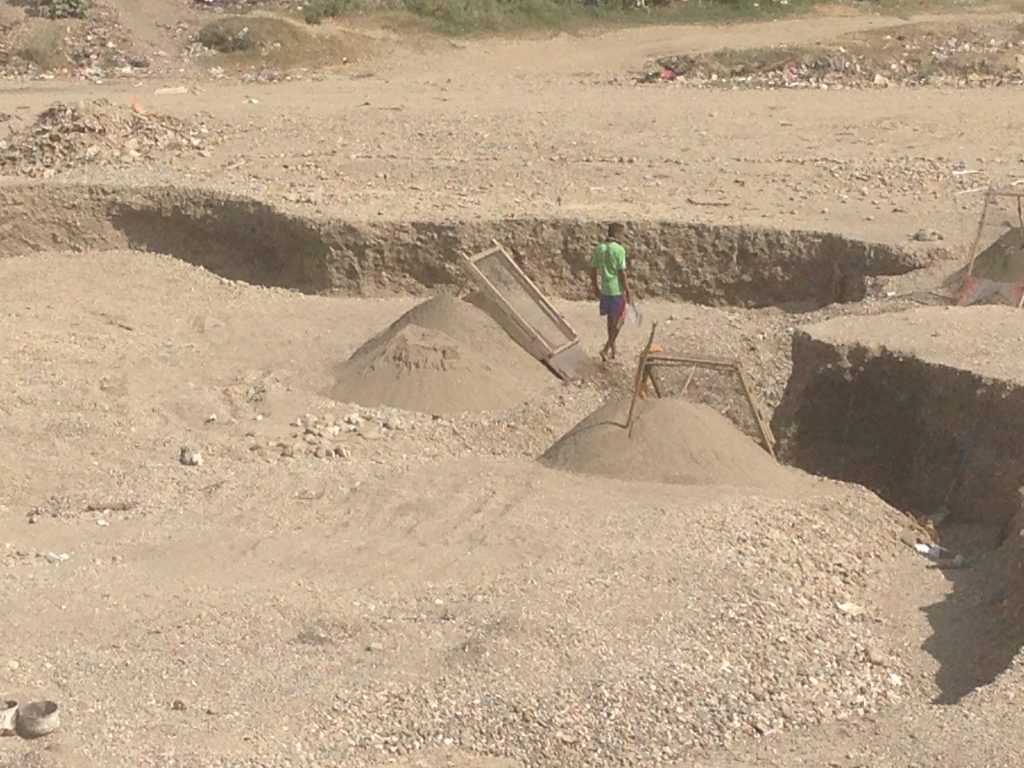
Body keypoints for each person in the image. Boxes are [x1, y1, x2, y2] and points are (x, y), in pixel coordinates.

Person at [589, 223, 631, 361]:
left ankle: (613, 350)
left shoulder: (599, 248)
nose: (624, 237)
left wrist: (595, 287)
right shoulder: (619, 250)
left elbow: (593, 269)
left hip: (605, 290)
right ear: (617, 234)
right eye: (623, 234)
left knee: (610, 320)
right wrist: (628, 290)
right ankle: (606, 348)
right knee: (621, 318)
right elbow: (622, 273)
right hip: (616, 290)